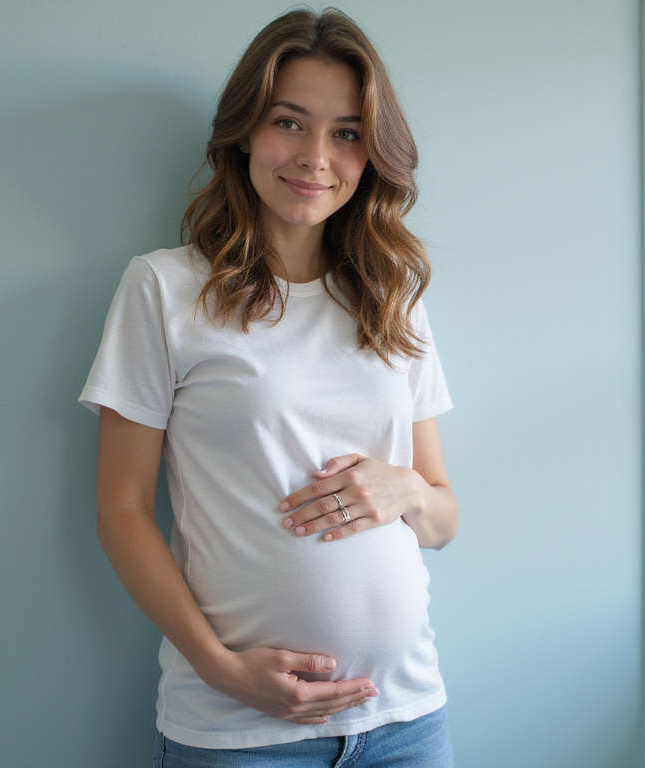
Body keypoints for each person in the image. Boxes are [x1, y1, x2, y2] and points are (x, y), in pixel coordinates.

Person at [80, 7, 458, 766]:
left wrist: (407, 492)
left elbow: (444, 515)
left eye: (347, 133)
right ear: (245, 131)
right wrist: (224, 672)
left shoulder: (393, 297)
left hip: (406, 720)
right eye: (290, 122)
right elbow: (122, 511)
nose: (316, 157)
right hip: (238, 730)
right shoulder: (165, 288)